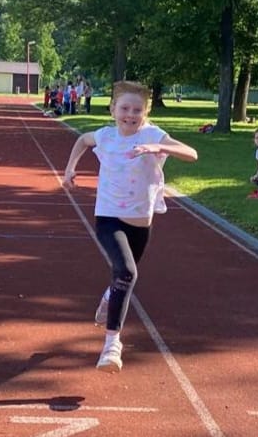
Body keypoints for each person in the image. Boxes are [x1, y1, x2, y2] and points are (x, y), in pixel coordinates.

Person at [63, 81, 198, 372]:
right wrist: (70, 168)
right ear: (113, 109)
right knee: (126, 272)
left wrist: (160, 147)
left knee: (123, 278)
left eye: (137, 110)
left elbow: (192, 154)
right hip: (108, 216)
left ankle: (109, 296)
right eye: (124, 108)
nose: (130, 115)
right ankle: (112, 345)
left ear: (145, 113)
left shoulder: (153, 134)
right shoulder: (105, 136)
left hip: (141, 221)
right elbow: (83, 141)